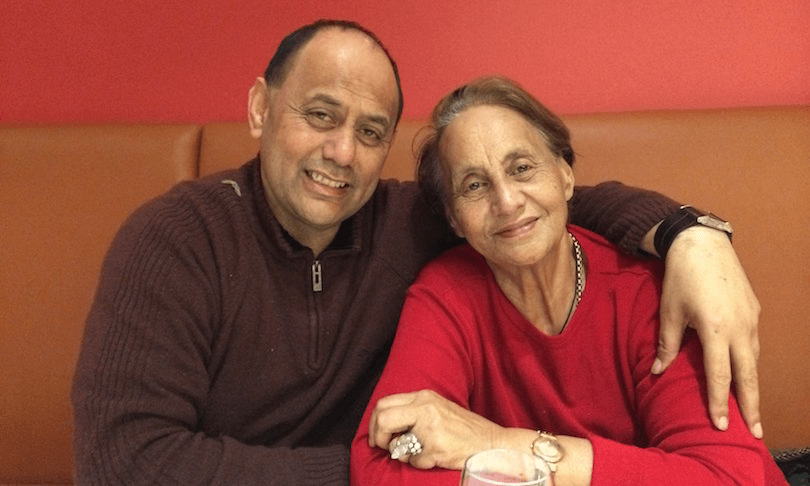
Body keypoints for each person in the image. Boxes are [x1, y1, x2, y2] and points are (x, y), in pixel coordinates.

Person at [71, 20, 761, 485]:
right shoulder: (173, 241)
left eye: (371, 131)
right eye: (320, 115)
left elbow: (537, 214)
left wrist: (689, 232)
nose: (341, 152)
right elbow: (124, 462)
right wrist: (366, 459)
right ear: (260, 108)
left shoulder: (409, 223)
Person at [351, 76, 785, 485]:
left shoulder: (646, 290)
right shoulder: (446, 294)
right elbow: (379, 469)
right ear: (454, 219)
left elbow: (725, 476)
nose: (506, 201)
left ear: (565, 175)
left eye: (521, 168)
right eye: (475, 185)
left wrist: (499, 445)